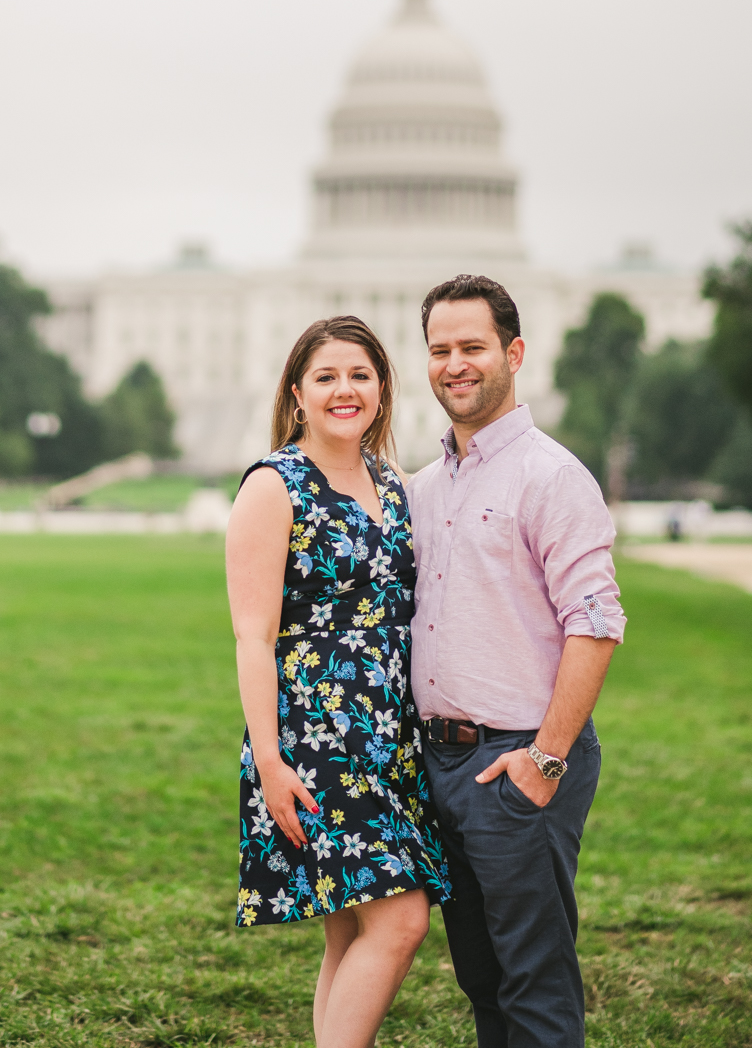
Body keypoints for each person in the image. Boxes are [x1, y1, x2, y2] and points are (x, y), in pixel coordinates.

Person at [406, 274, 626, 1048]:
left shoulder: (552, 476)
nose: (455, 364)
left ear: (515, 352)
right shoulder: (423, 487)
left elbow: (596, 623)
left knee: (533, 977)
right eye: (440, 349)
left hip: (520, 759)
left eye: (472, 347)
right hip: (443, 762)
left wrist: (546, 758)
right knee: (482, 975)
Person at [226, 315, 449, 1048]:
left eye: (360, 374)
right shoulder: (273, 484)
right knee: (401, 918)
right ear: (297, 394)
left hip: (388, 733)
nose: (344, 389)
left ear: (383, 390)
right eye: (326, 376)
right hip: (318, 736)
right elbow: (252, 637)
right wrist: (269, 760)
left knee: (350, 931)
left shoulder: (393, 480)